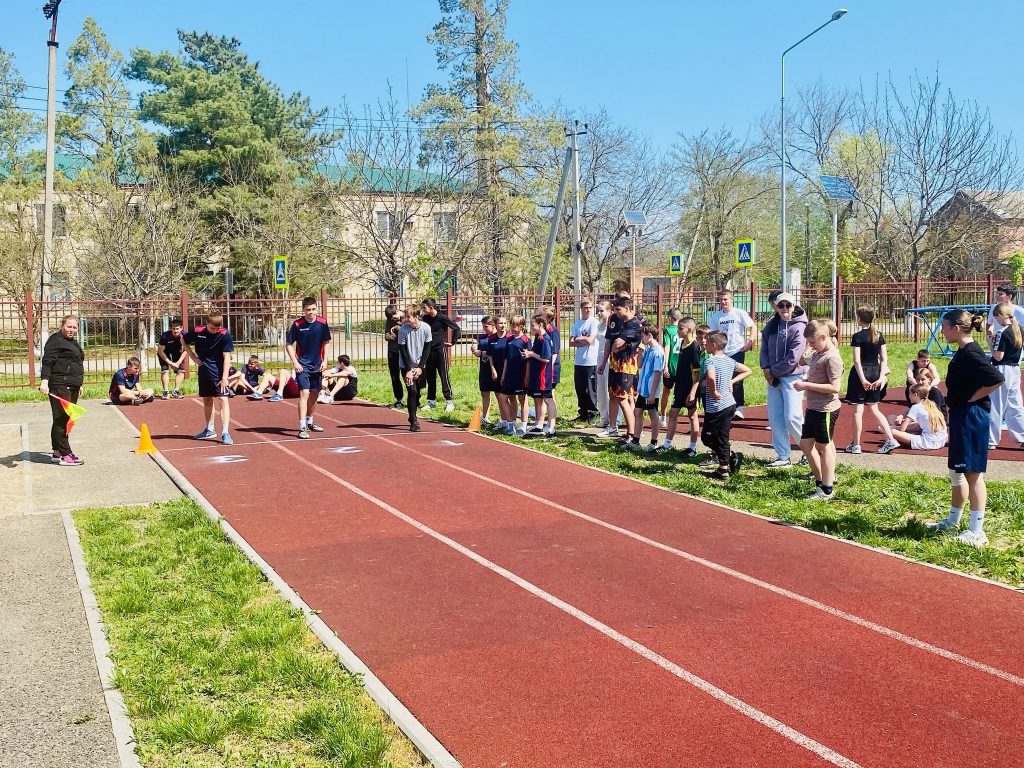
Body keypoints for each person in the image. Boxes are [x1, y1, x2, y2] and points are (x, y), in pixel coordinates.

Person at [925, 310, 1004, 547]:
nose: (942, 330)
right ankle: (953, 521)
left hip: (972, 417)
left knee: (972, 473)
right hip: (962, 415)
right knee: (957, 471)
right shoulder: (963, 351)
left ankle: (977, 532)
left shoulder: (972, 353)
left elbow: (996, 379)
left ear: (956, 328)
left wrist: (972, 398)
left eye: (944, 326)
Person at [794, 320, 844, 500]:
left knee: (823, 446)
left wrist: (806, 385)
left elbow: (835, 387)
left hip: (826, 408)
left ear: (823, 337)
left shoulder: (832, 358)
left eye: (813, 342)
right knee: (806, 444)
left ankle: (827, 489)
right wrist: (810, 348)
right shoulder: (817, 353)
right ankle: (821, 481)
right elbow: (801, 361)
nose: (811, 345)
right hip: (813, 407)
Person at [759, 291, 808, 467]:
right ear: (776, 307)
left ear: (793, 306)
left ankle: (809, 452)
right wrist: (766, 368)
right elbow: (764, 348)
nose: (784, 309)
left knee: (793, 417)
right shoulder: (772, 324)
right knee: (775, 418)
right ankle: (783, 456)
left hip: (793, 377)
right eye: (781, 305)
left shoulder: (800, 327)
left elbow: (794, 357)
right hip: (773, 378)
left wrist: (773, 371)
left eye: (788, 305)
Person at [844, 306, 899, 455]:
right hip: (875, 371)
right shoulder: (878, 335)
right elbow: (884, 358)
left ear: (859, 319)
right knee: (874, 408)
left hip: (861, 373)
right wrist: (881, 377)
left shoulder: (857, 336)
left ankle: (856, 445)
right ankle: (890, 439)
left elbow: (857, 361)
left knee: (858, 411)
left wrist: (862, 379)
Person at [698, 330, 750, 480]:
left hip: (718, 406)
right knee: (719, 437)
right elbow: (748, 370)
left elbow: (711, 378)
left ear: (714, 345)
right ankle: (730, 459)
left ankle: (723, 468)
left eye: (707, 342)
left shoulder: (710, 361)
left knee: (710, 437)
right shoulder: (729, 361)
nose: (705, 344)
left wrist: (713, 391)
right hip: (729, 404)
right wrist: (731, 381)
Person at [39, 314, 85, 465]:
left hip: (72, 385)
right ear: (62, 326)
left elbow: (75, 363)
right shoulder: (55, 341)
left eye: (74, 327)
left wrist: (79, 384)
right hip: (60, 385)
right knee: (62, 419)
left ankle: (57, 451)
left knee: (63, 419)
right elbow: (47, 362)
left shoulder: (72, 342)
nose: (71, 330)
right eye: (69, 326)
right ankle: (66, 454)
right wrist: (44, 382)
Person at [182, 310, 234, 445]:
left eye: (217, 328)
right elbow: (183, 340)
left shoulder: (225, 334)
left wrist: (225, 377)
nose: (215, 331)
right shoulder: (198, 331)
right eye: (212, 328)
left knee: (223, 399)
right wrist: (192, 356)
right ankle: (210, 429)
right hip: (204, 371)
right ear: (207, 323)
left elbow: (227, 356)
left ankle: (225, 432)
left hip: (219, 373)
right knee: (207, 399)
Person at [286, 296, 332, 439]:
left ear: (316, 308)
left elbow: (326, 342)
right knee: (304, 394)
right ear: (303, 310)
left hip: (317, 365)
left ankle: (310, 421)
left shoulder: (322, 323)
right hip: (302, 366)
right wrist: (295, 362)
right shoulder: (297, 324)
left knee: (314, 394)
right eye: (308, 310)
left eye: (313, 309)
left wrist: (325, 360)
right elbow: (288, 345)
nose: (311, 312)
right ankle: (302, 427)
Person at [597, 298, 642, 440]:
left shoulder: (634, 324)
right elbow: (613, 343)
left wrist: (618, 346)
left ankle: (632, 434)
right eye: (614, 309)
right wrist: (607, 358)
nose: (615, 312)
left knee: (623, 398)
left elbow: (617, 344)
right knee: (613, 396)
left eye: (618, 309)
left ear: (627, 308)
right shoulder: (616, 320)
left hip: (626, 366)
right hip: (614, 364)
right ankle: (612, 428)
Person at [709, 290, 756, 420]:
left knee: (737, 380)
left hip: (737, 350)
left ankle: (739, 407)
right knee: (721, 380)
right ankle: (725, 407)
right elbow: (711, 332)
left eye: (726, 299)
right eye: (721, 300)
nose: (723, 302)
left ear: (731, 300)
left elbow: (752, 326)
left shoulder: (739, 313)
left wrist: (750, 342)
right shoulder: (716, 316)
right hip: (722, 353)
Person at [661, 318, 701, 456]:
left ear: (689, 330)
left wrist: (693, 392)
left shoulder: (694, 348)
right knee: (673, 413)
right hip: (680, 386)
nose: (677, 331)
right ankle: (667, 444)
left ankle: (692, 447)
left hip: (690, 388)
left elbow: (697, 373)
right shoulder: (682, 343)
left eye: (680, 329)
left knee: (692, 415)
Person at [623, 323, 666, 452]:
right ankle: (636, 441)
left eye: (643, 336)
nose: (641, 339)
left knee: (653, 414)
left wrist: (652, 393)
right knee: (638, 412)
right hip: (643, 389)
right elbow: (640, 365)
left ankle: (654, 442)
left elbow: (657, 373)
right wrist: (640, 353)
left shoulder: (658, 352)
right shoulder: (647, 349)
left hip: (651, 390)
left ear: (650, 336)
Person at [988, 303, 1024, 449]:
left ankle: (991, 440)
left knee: (996, 404)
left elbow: (998, 356)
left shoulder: (1001, 332)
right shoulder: (1018, 330)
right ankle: (1022, 435)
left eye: (996, 317)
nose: (995, 320)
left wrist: (990, 343)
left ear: (1000, 316)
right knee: (1015, 405)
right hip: (1015, 369)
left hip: (1002, 369)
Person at [420, 297, 460, 412]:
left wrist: (453, 342)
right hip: (429, 351)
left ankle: (449, 402)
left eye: (424, 308)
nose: (423, 310)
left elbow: (456, 328)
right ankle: (431, 401)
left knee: (444, 376)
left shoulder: (442, 318)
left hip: (440, 351)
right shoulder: (425, 318)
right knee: (430, 377)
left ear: (431, 307)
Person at [397, 304, 432, 432]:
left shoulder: (426, 328)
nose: (405, 319)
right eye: (405, 317)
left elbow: (427, 348)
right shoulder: (403, 330)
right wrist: (408, 370)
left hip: (420, 365)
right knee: (412, 391)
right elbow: (403, 350)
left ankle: (413, 409)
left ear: (416, 316)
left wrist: (420, 367)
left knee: (418, 392)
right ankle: (413, 420)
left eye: (408, 317)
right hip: (406, 365)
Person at [890, 383, 948, 450]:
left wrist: (895, 429)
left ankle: (889, 443)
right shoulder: (932, 405)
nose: (909, 396)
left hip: (928, 442)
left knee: (892, 432)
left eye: (910, 394)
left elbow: (902, 429)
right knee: (916, 427)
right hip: (942, 440)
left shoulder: (916, 407)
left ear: (915, 395)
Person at [523, 315, 555, 437]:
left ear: (540, 325)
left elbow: (546, 359)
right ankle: (539, 424)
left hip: (543, 376)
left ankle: (551, 427)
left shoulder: (545, 339)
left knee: (548, 400)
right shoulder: (538, 337)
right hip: (536, 374)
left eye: (533, 325)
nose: (531, 327)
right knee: (538, 399)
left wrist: (531, 354)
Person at [569, 299, 600, 423]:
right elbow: (571, 342)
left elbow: (590, 340)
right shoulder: (577, 323)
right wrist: (581, 339)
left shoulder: (594, 323)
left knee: (591, 388)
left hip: (591, 361)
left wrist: (578, 339)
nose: (588, 310)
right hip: (579, 361)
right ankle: (582, 412)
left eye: (590, 307)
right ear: (581, 309)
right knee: (580, 388)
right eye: (586, 307)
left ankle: (593, 412)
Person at [499, 315, 530, 436]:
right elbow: (506, 359)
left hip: (521, 374)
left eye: (514, 326)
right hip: (509, 374)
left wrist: (527, 376)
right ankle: (510, 424)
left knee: (522, 400)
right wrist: (503, 375)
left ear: (521, 326)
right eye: (511, 325)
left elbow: (529, 360)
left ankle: (523, 426)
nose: (512, 328)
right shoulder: (509, 339)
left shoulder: (525, 340)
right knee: (503, 398)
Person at [658, 309, 683, 427]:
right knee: (682, 393)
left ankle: (663, 417)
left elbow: (667, 347)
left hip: (672, 365)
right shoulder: (684, 329)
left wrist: (665, 365)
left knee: (666, 391)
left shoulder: (668, 330)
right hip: (682, 366)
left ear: (669, 318)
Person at [473, 316, 500, 423]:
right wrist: (475, 351)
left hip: (496, 368)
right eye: (483, 326)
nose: (484, 328)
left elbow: (495, 352)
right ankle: (485, 417)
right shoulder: (482, 337)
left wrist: (482, 353)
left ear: (493, 325)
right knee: (484, 393)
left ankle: (503, 419)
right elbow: (479, 353)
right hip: (484, 368)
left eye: (486, 326)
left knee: (499, 394)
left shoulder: (498, 337)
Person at [986, 284, 1024, 352]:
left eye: (1000, 294)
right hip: (999, 346)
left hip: (1014, 349)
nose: (997, 296)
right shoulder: (994, 308)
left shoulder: (1020, 311)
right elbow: (989, 324)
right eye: (997, 294)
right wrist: (990, 334)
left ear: (1009, 296)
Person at [157, 318, 187, 400]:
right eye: (173, 329)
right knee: (165, 371)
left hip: (177, 352)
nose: (175, 331)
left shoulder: (184, 336)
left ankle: (176, 391)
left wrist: (178, 363)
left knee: (181, 371)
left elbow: (186, 350)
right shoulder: (165, 336)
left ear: (181, 328)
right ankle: (166, 391)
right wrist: (171, 363)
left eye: (177, 329)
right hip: (164, 353)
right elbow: (160, 351)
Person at [594, 301, 613, 428]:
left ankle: (614, 419)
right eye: (598, 311)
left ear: (609, 311)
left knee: (608, 389)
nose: (599, 313)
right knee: (600, 389)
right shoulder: (600, 324)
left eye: (602, 311)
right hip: (599, 357)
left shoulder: (611, 325)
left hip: (609, 358)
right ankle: (604, 417)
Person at [384, 304, 404, 409]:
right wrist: (394, 334)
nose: (393, 319)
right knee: (395, 376)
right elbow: (387, 336)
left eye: (393, 316)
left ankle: (415, 399)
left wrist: (397, 327)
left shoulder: (406, 316)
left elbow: (408, 331)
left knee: (407, 374)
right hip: (392, 350)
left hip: (404, 351)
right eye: (390, 318)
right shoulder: (389, 320)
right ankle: (399, 399)